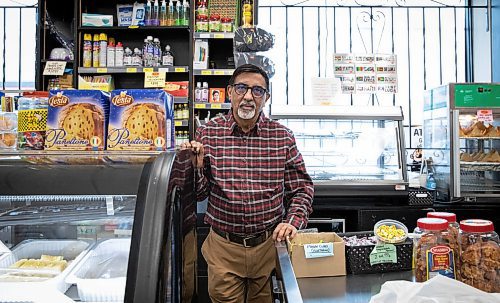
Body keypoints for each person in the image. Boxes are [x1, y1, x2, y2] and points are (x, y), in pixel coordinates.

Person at [181, 64, 314, 303]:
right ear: (230, 92)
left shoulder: (282, 137)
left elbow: (302, 189)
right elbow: (200, 195)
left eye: (257, 91)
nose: (248, 97)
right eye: (242, 88)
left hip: (268, 246)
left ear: (266, 98)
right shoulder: (208, 134)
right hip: (223, 247)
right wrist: (197, 168)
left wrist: (292, 221)